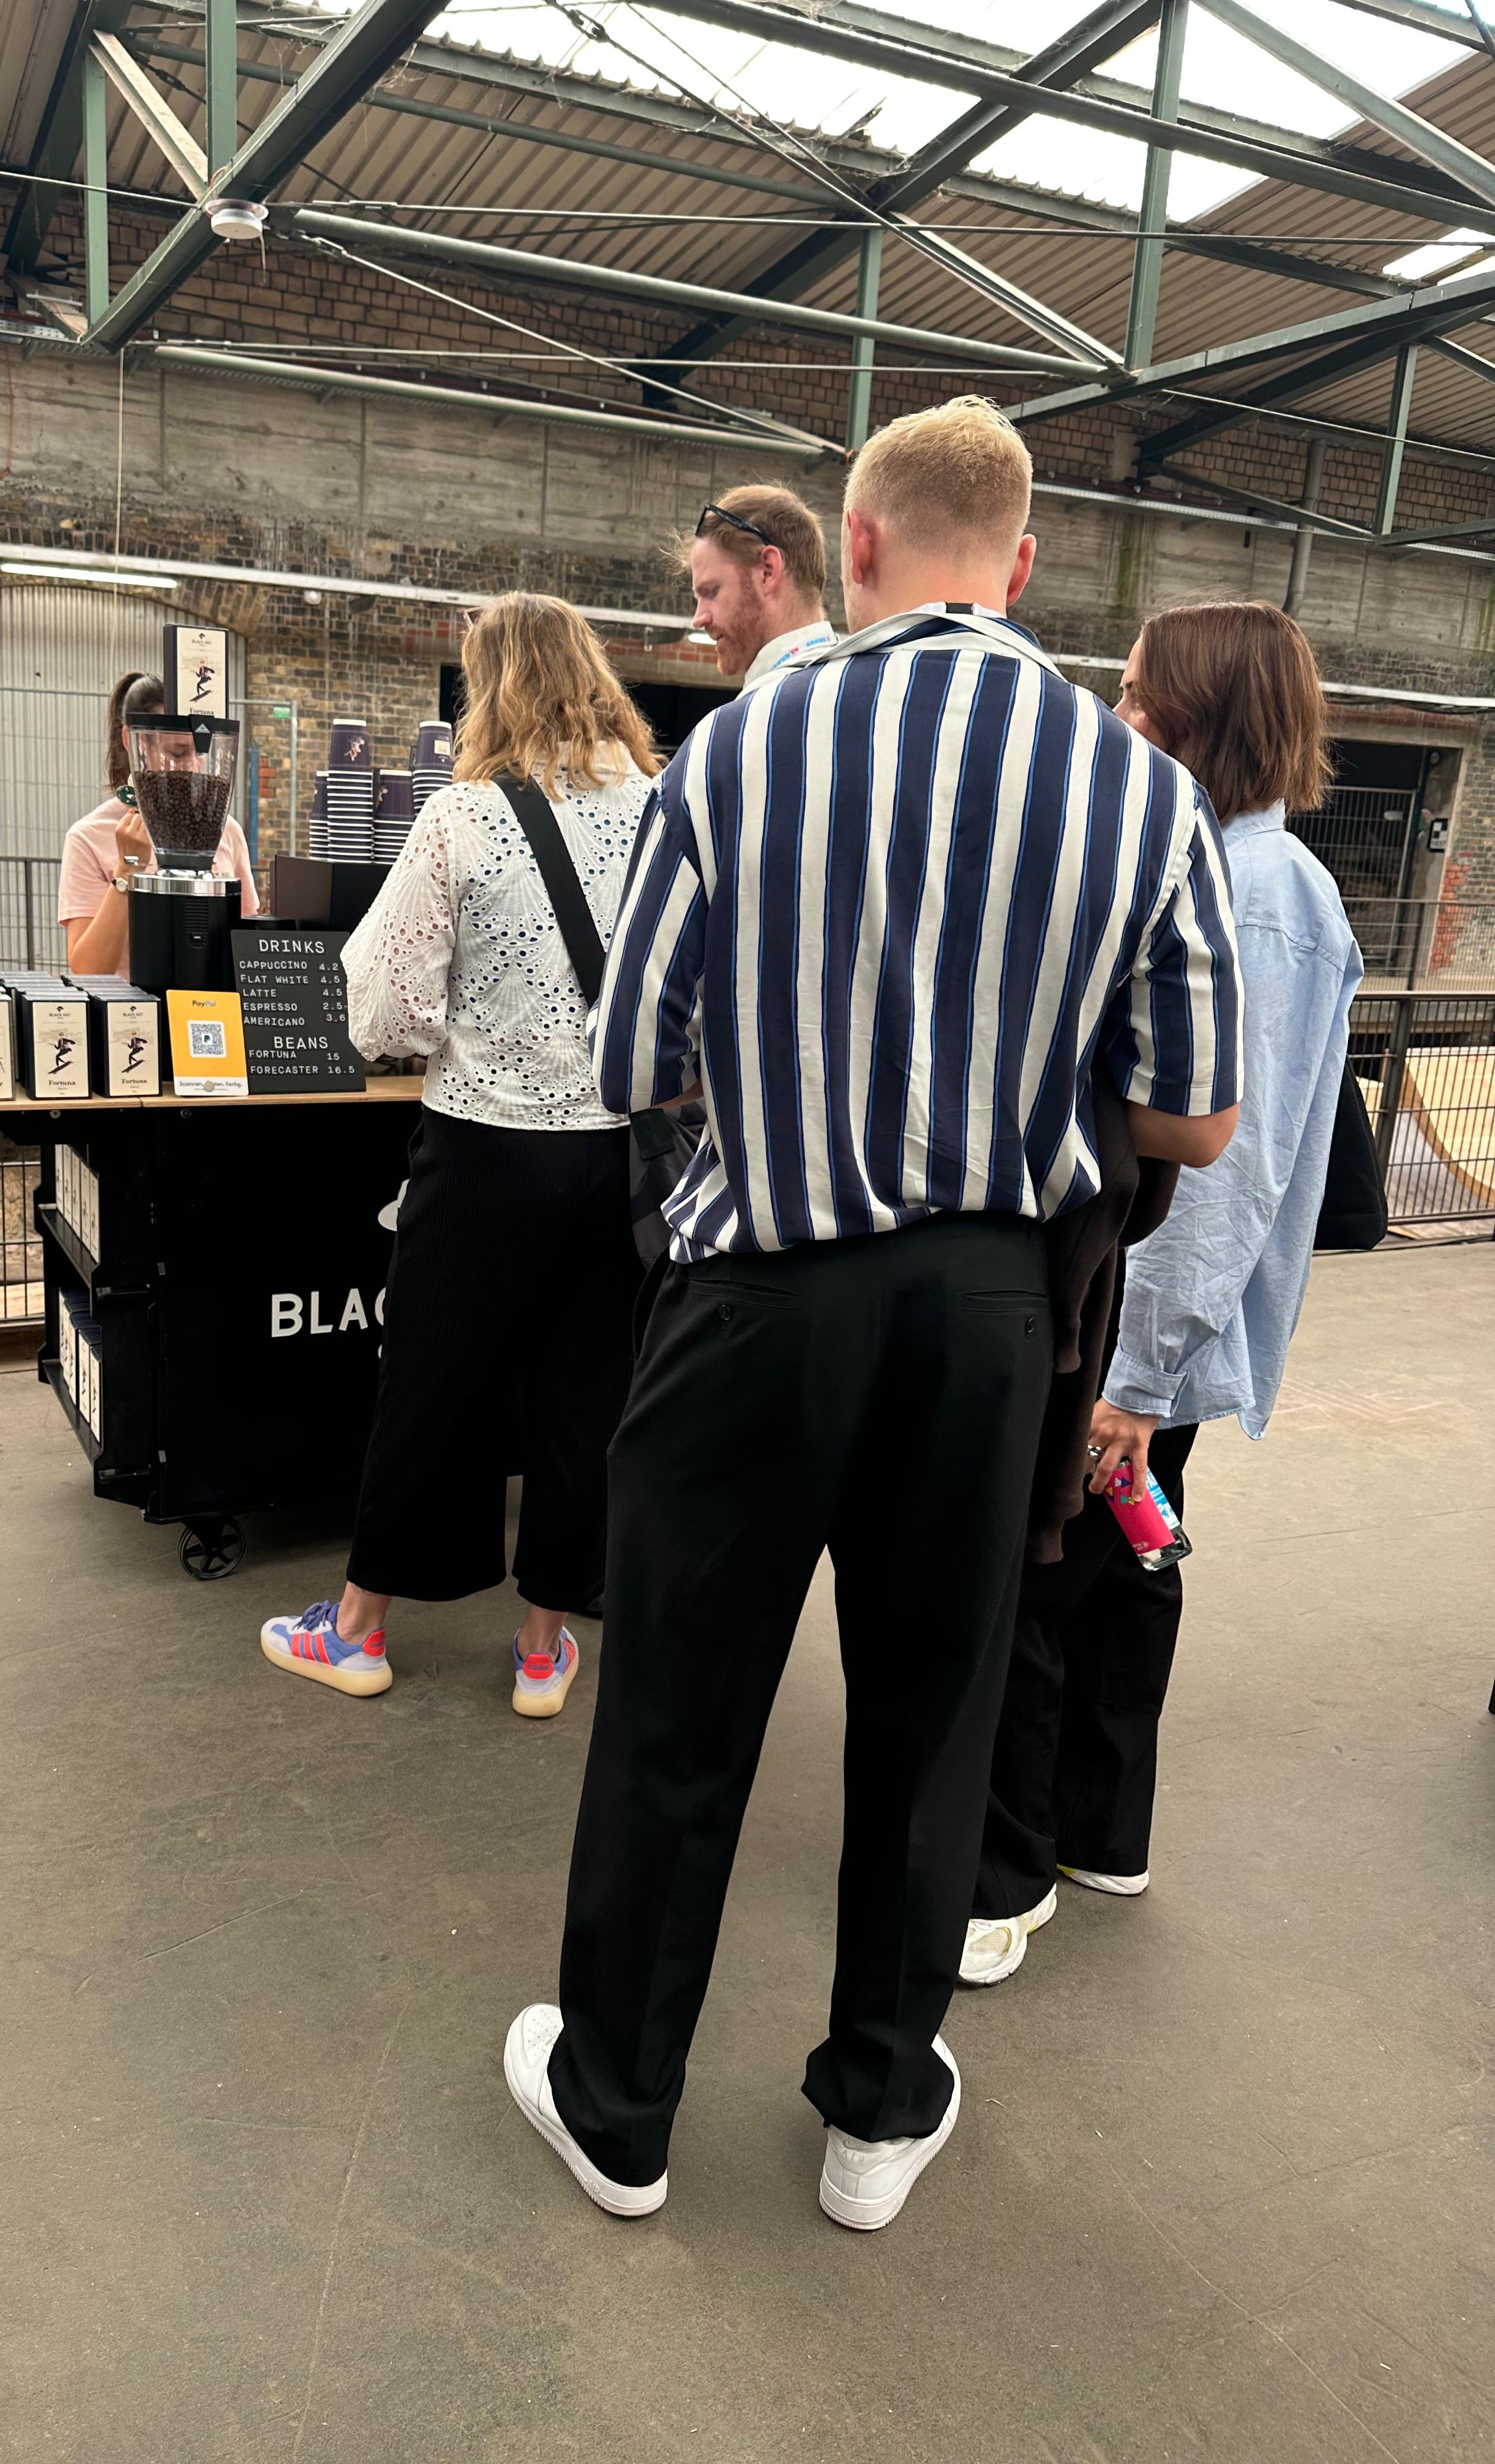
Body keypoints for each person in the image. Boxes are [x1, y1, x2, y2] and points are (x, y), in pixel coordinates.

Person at [500, 396, 1243, 2232]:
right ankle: (876, 2117)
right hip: (987, 1313)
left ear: (851, 543)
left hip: (757, 1293)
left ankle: (620, 2109)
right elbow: (1196, 1114)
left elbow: (631, 1058)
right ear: (1025, 559)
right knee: (934, 1704)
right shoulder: (1140, 790)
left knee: (680, 1699)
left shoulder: (741, 748)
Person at [964, 600, 1361, 1986]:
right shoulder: (1244, 874)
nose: (1118, 718)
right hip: (1155, 1329)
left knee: (1040, 1586)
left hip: (1139, 1328)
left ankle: (1004, 1879)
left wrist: (1132, 1377)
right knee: (1127, 1573)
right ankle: (1098, 1831)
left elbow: (1224, 1167)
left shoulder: (1250, 894)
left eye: (1142, 698)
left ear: (1207, 724)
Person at [261, 594, 658, 1719]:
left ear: (492, 686)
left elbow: (383, 1007)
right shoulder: (661, 809)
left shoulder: (461, 815)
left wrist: (462, 1029)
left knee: (431, 1386)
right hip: (615, 1154)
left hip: (481, 1148)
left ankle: (356, 1633)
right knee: (585, 1399)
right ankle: (542, 1648)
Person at [59, 670, 258, 977]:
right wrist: (127, 870)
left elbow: (249, 947)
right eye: (177, 754)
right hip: (130, 1007)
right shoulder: (88, 838)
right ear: (135, 742)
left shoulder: (226, 831)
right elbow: (88, 968)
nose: (192, 768)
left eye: (200, 754)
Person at [684, 487, 836, 689]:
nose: (698, 619)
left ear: (768, 571)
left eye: (712, 592)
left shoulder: (756, 707)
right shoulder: (868, 692)